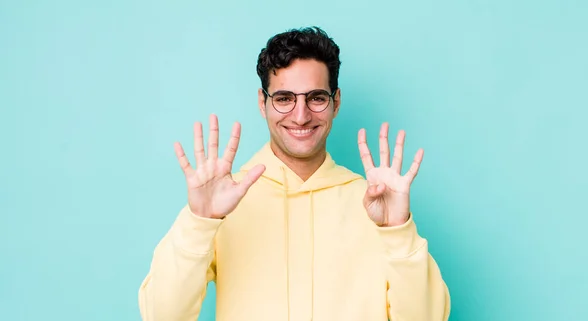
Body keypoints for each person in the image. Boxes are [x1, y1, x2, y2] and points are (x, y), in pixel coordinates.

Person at [138, 26, 450, 321]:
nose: (300, 116)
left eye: (316, 98)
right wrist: (199, 222)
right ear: (263, 103)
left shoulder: (375, 206)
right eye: (284, 98)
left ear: (335, 102)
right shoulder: (223, 202)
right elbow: (163, 315)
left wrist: (398, 230)